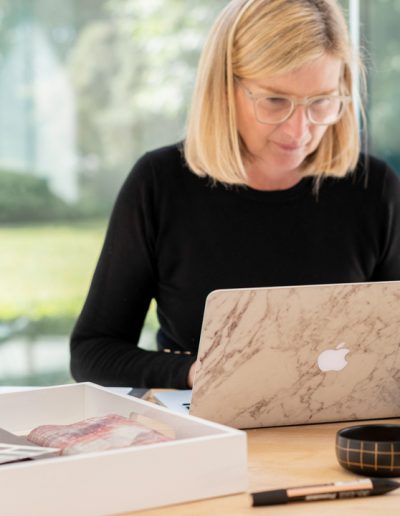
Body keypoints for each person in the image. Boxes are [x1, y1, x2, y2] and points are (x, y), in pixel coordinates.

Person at [70, 0, 400, 389]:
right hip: (206, 428)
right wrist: (197, 373)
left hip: (331, 433)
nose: (299, 131)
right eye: (275, 101)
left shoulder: (372, 187)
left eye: (321, 102)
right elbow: (92, 352)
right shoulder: (159, 183)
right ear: (224, 87)